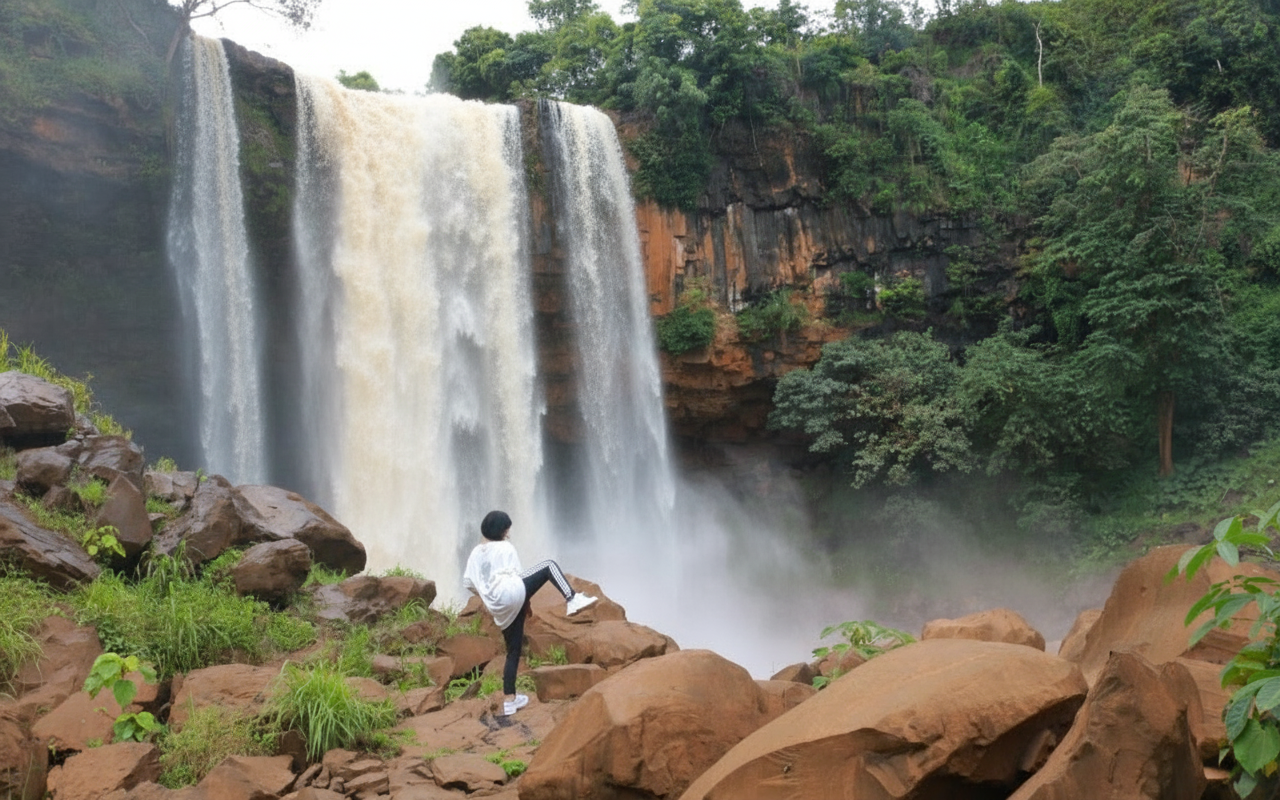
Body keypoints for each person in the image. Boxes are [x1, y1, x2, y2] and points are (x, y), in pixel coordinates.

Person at [462, 510, 597, 716]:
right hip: (512, 591)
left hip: (497, 605)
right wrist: (525, 602)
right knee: (549, 565)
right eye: (507, 528)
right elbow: (518, 579)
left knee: (512, 651)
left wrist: (489, 595)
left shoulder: (475, 554)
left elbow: (469, 583)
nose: (509, 532)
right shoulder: (506, 547)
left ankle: (509, 701)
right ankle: (572, 598)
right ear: (501, 530)